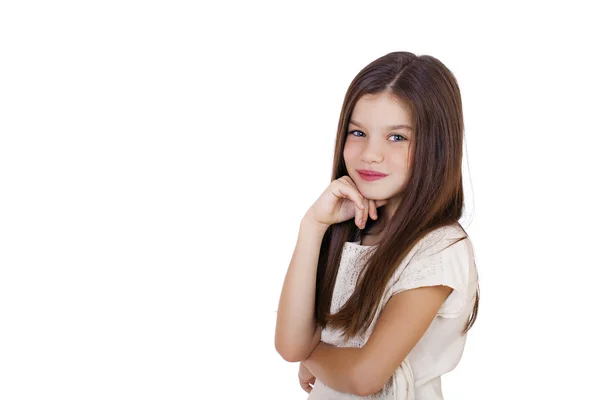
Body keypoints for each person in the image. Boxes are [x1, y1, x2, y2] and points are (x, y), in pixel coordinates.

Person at [274, 51, 480, 400]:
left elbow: (364, 377)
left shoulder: (440, 248)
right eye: (358, 132)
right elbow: (288, 344)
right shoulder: (351, 230)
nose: (370, 154)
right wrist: (312, 226)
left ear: (436, 146)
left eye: (397, 137)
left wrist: (312, 353)